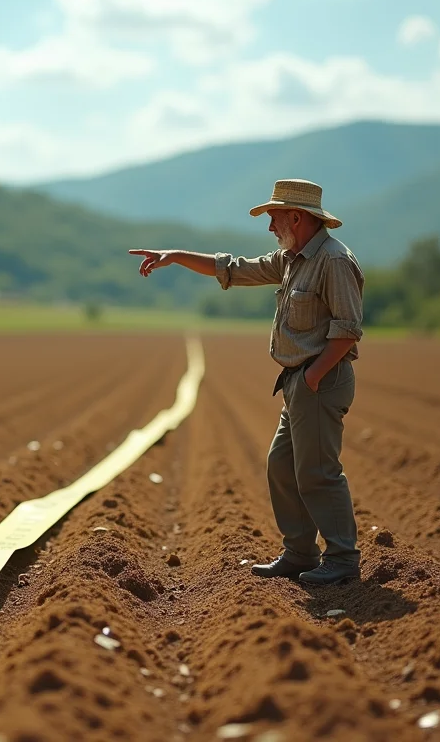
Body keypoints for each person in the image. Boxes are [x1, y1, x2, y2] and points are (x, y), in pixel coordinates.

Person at [129, 179, 364, 585]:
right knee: (281, 465)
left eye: (274, 218)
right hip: (298, 384)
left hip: (319, 381)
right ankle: (300, 553)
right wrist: (176, 256)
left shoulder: (334, 261)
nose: (270, 227)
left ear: (297, 216)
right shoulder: (292, 259)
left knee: (318, 473)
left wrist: (311, 377)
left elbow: (347, 331)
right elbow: (233, 269)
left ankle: (343, 558)